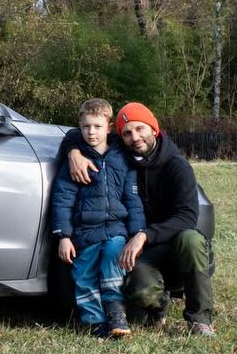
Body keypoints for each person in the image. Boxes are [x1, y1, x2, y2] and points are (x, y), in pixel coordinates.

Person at [60, 102, 215, 337]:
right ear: (119, 136)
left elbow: (188, 216)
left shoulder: (177, 166)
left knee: (191, 239)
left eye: (140, 129)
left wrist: (143, 235)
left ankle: (199, 319)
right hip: (143, 249)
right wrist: (73, 153)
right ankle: (159, 305)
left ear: (154, 129)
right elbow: (80, 131)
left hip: (172, 243)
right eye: (127, 133)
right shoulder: (123, 157)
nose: (135, 137)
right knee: (141, 291)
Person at [49, 98, 146, 339]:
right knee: (84, 274)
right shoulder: (75, 162)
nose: (91, 132)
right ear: (79, 127)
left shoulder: (121, 159)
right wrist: (63, 236)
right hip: (85, 232)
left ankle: (115, 311)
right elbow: (62, 200)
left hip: (115, 229)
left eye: (97, 127)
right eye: (86, 127)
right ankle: (94, 321)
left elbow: (132, 199)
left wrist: (137, 233)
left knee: (114, 260)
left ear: (109, 127)